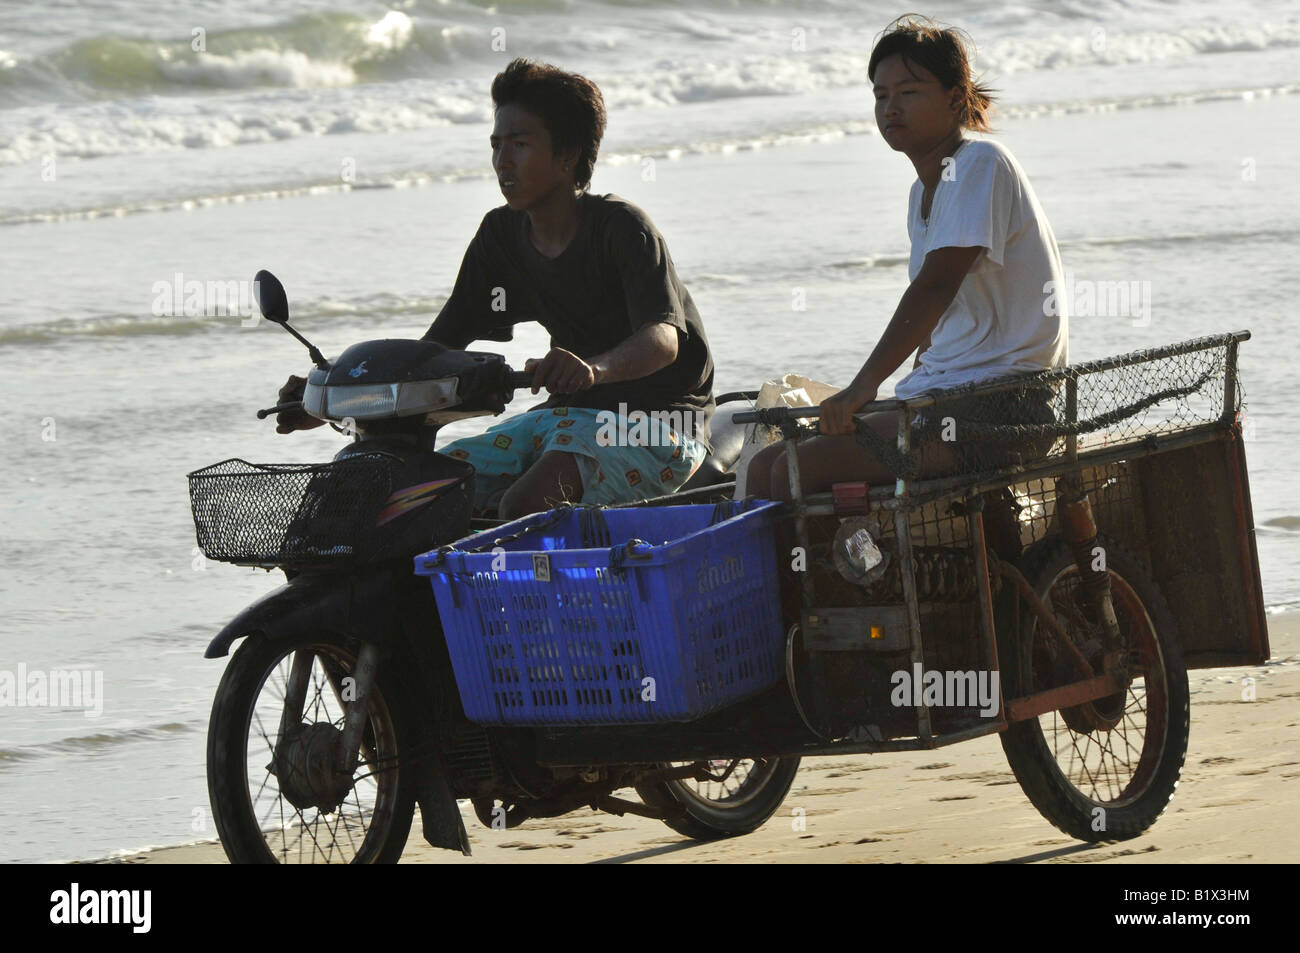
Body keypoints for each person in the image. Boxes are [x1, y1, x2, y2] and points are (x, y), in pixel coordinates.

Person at [280, 58, 715, 520]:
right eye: (496, 145)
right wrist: (333, 402)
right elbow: (437, 347)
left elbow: (663, 339)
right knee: (417, 489)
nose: (503, 162)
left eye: (520, 145)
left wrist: (593, 369)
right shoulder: (499, 238)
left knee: (523, 506)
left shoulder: (623, 229)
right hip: (566, 417)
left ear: (567, 155)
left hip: (658, 425)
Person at [745, 16, 1067, 502]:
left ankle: (824, 575)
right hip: (943, 398)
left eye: (909, 92)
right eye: (880, 96)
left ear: (956, 97)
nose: (890, 107)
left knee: (792, 470)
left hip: (1002, 406)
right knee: (763, 466)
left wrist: (862, 388)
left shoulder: (980, 163)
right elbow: (939, 321)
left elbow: (936, 288)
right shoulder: (922, 191)